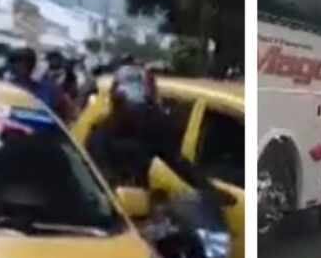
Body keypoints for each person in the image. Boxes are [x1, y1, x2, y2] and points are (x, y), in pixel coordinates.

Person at [85, 64, 228, 202]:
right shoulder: (100, 135)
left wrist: (209, 190)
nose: (139, 112)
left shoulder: (153, 127)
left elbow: (177, 162)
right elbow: (96, 178)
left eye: (143, 105)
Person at [5, 47, 74, 120]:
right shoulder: (9, 85)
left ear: (31, 63)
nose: (17, 66)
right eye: (14, 62)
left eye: (21, 62)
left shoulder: (50, 87)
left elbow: (67, 112)